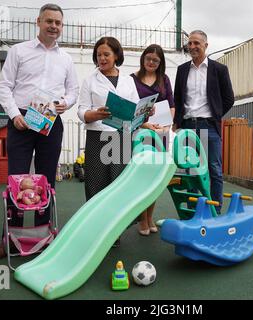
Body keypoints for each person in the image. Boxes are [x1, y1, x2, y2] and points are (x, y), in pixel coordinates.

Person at [0, 3, 79, 260]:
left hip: (51, 121)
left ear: (62, 26)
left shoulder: (66, 59)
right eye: (49, 21)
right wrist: (15, 115)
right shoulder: (18, 51)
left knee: (46, 182)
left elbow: (73, 91)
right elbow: (3, 86)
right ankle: (9, 241)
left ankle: (43, 238)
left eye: (58, 23)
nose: (54, 26)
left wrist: (66, 103)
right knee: (16, 181)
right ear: (38, 22)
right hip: (23, 120)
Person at [77, 37, 140, 247]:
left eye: (106, 54)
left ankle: (115, 232)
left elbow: (135, 108)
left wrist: (145, 112)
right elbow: (81, 109)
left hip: (122, 136)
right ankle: (96, 230)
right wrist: (93, 114)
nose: (102, 58)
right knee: (97, 184)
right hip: (98, 136)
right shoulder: (90, 80)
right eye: (99, 55)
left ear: (116, 56)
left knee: (119, 184)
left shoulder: (128, 80)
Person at [173, 30, 234, 214]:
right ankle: (194, 210)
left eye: (196, 43)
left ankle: (216, 209)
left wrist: (215, 114)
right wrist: (177, 123)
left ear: (206, 45)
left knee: (214, 169)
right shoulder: (182, 70)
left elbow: (229, 98)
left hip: (209, 126)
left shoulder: (219, 69)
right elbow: (177, 99)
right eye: (190, 43)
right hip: (188, 126)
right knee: (191, 170)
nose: (192, 47)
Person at [131, 44, 175, 236]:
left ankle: (150, 217)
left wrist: (167, 126)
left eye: (155, 60)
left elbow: (172, 105)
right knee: (142, 177)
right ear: (143, 58)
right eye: (148, 58)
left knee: (155, 177)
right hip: (140, 133)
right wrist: (143, 125)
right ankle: (142, 219)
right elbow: (130, 108)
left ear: (160, 62)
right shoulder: (132, 79)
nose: (151, 62)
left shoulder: (164, 79)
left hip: (161, 133)